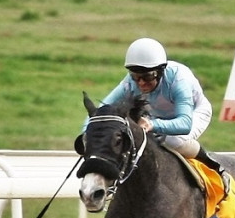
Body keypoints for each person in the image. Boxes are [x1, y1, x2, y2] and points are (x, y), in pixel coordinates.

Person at [89, 37, 225, 176]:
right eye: (136, 76)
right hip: (156, 116)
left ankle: (212, 165)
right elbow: (101, 111)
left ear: (160, 72)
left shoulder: (178, 80)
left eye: (147, 77)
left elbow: (185, 124)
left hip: (194, 113)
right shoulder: (130, 83)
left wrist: (152, 124)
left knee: (173, 140)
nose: (141, 83)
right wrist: (90, 135)